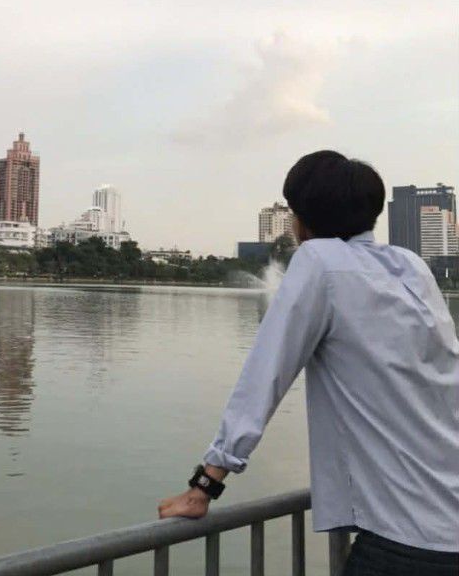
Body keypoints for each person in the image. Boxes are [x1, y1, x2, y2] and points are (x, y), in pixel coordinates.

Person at [158, 151, 459, 575]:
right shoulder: (411, 266)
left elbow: (264, 378)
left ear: (303, 219)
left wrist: (204, 486)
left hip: (407, 541)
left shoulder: (318, 261)